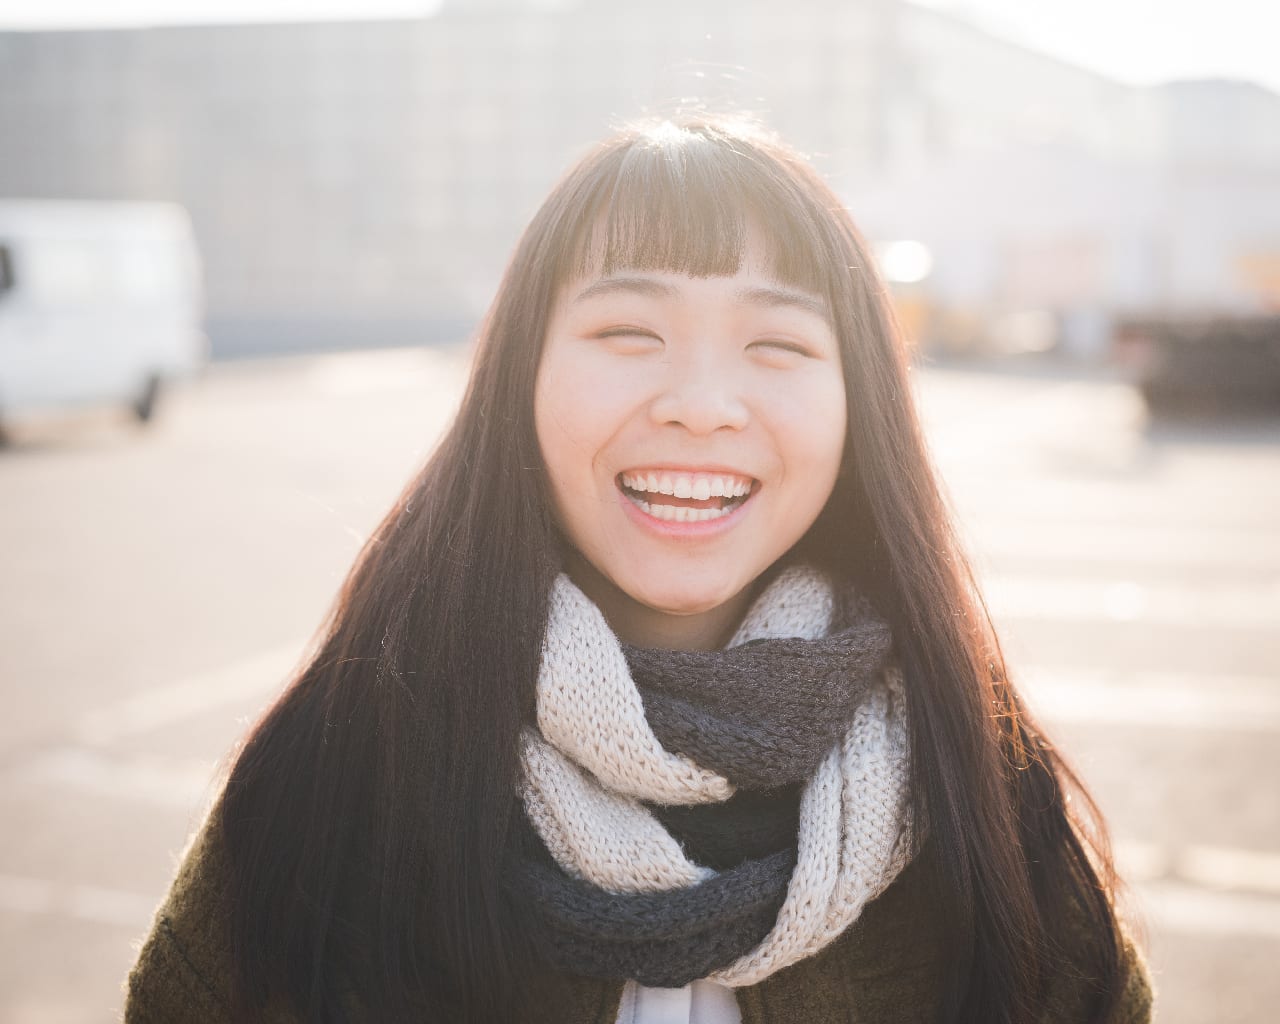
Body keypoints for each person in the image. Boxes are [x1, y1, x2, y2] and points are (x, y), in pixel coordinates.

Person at [125, 116, 1153, 1024]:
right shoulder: (343, 766)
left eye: (776, 343)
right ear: (518, 380)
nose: (700, 402)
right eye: (627, 331)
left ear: (858, 406)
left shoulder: (971, 779)